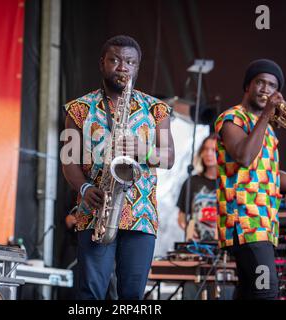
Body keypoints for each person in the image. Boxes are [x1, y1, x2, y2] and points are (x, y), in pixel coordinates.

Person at [61, 35, 175, 300]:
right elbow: (68, 160)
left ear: (137, 68)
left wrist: (142, 150)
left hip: (141, 216)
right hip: (95, 211)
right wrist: (85, 187)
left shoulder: (156, 109)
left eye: (130, 62)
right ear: (102, 63)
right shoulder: (78, 109)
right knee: (90, 293)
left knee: (132, 295)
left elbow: (169, 158)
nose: (122, 67)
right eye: (115, 60)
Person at [215, 59, 286, 300]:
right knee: (266, 290)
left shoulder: (267, 129)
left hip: (265, 222)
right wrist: (268, 113)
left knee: (250, 291)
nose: (265, 90)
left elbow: (270, 174)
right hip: (245, 221)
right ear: (247, 86)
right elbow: (245, 157)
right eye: (260, 82)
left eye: (272, 86)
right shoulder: (232, 118)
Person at [177, 134, 218, 242]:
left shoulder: (228, 183)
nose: (208, 153)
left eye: (213, 150)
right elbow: (181, 217)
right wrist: (189, 230)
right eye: (205, 149)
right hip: (197, 245)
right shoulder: (191, 181)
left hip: (223, 246)